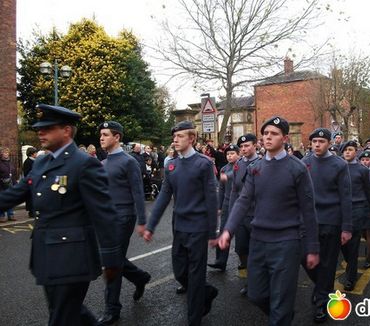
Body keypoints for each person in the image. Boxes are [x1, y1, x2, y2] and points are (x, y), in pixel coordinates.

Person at [0, 104, 122, 326]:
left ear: (66, 130)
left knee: (61, 318)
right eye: (39, 127)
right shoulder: (42, 162)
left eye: (47, 127)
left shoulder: (85, 164)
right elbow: (15, 194)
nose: (40, 132)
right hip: (46, 255)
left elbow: (105, 214)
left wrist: (112, 259)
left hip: (72, 259)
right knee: (70, 313)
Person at [218, 116, 319, 326]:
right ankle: (282, 315)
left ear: (285, 137)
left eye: (273, 133)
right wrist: (228, 230)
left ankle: (281, 316)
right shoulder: (256, 167)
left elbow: (309, 211)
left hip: (286, 243)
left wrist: (312, 248)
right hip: (259, 241)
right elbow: (243, 200)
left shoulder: (298, 168)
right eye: (265, 134)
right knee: (256, 295)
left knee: (280, 304)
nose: (268, 137)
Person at [143, 121, 218, 326]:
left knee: (195, 277)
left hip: (199, 229)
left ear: (192, 138)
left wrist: (213, 232)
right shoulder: (171, 165)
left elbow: (211, 198)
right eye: (174, 136)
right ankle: (208, 292)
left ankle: (193, 319)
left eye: (180, 136)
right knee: (180, 272)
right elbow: (164, 196)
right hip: (180, 227)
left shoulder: (203, 164)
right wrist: (151, 225)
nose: (175, 140)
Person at [98, 121, 152, 325]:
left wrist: (142, 221)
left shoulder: (129, 161)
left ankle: (112, 309)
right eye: (100, 134)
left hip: (123, 217)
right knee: (114, 258)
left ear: (117, 137)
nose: (101, 138)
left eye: (105, 134)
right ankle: (140, 277)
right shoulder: (102, 163)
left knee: (112, 262)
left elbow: (138, 192)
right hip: (107, 218)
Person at [302, 128, 352, 323]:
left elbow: (345, 196)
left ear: (329, 143)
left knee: (328, 263)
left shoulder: (339, 164)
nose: (317, 145)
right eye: (314, 141)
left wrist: (346, 227)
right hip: (307, 221)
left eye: (321, 141)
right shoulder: (304, 162)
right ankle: (323, 287)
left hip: (331, 221)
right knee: (305, 259)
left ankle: (321, 301)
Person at [340, 141, 370, 291]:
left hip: (357, 209)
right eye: (345, 150)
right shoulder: (338, 168)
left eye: (350, 150)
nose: (347, 152)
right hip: (340, 210)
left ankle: (351, 277)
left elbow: (368, 191)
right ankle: (350, 263)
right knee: (343, 246)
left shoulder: (362, 170)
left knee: (353, 245)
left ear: (356, 152)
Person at [229, 133, 260, 295]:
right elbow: (235, 190)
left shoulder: (262, 163)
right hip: (242, 216)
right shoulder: (238, 164)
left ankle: (256, 283)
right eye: (241, 147)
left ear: (255, 145)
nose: (243, 149)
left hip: (257, 215)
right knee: (241, 249)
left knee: (257, 251)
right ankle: (250, 279)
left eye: (247, 145)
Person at [208, 144, 240, 272]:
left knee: (242, 236)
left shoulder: (242, 166)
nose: (229, 156)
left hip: (241, 204)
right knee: (223, 232)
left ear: (238, 154)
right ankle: (220, 261)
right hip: (227, 203)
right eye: (227, 154)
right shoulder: (224, 169)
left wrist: (229, 176)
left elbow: (236, 173)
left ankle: (244, 263)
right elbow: (221, 189)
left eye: (232, 153)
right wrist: (219, 206)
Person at [0, 147, 17, 222]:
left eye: (7, 152)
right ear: (1, 154)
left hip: (10, 183)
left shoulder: (11, 162)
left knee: (10, 200)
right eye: (4, 152)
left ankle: (11, 215)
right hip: (1, 185)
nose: (6, 154)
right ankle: (1, 215)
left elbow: (14, 174)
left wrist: (15, 183)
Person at [22, 146, 38, 218]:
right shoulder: (28, 162)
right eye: (35, 153)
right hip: (30, 182)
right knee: (30, 198)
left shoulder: (35, 161)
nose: (36, 154)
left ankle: (34, 210)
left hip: (35, 181)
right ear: (31, 154)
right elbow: (27, 173)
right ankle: (31, 212)